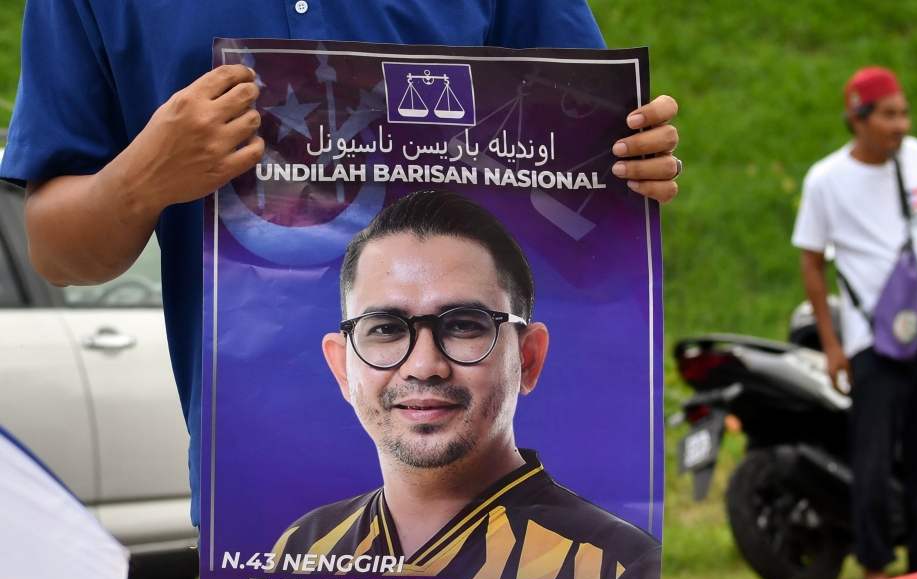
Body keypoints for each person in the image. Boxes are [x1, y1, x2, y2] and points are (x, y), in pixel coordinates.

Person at [1, 1, 682, 528]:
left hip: (511, 514)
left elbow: (591, 171)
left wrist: (628, 164)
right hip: (260, 517)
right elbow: (57, 252)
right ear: (340, 354)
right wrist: (144, 177)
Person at [268, 190, 661, 579]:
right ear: (342, 368)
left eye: (463, 326)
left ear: (528, 359)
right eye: (385, 328)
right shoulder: (302, 553)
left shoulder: (619, 572)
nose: (423, 365)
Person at [793, 67, 917, 579]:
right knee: (870, 463)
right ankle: (874, 572)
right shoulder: (826, 179)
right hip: (871, 342)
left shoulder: (916, 158)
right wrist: (832, 343)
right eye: (889, 114)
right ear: (857, 118)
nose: (901, 124)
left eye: (904, 112)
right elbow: (812, 259)